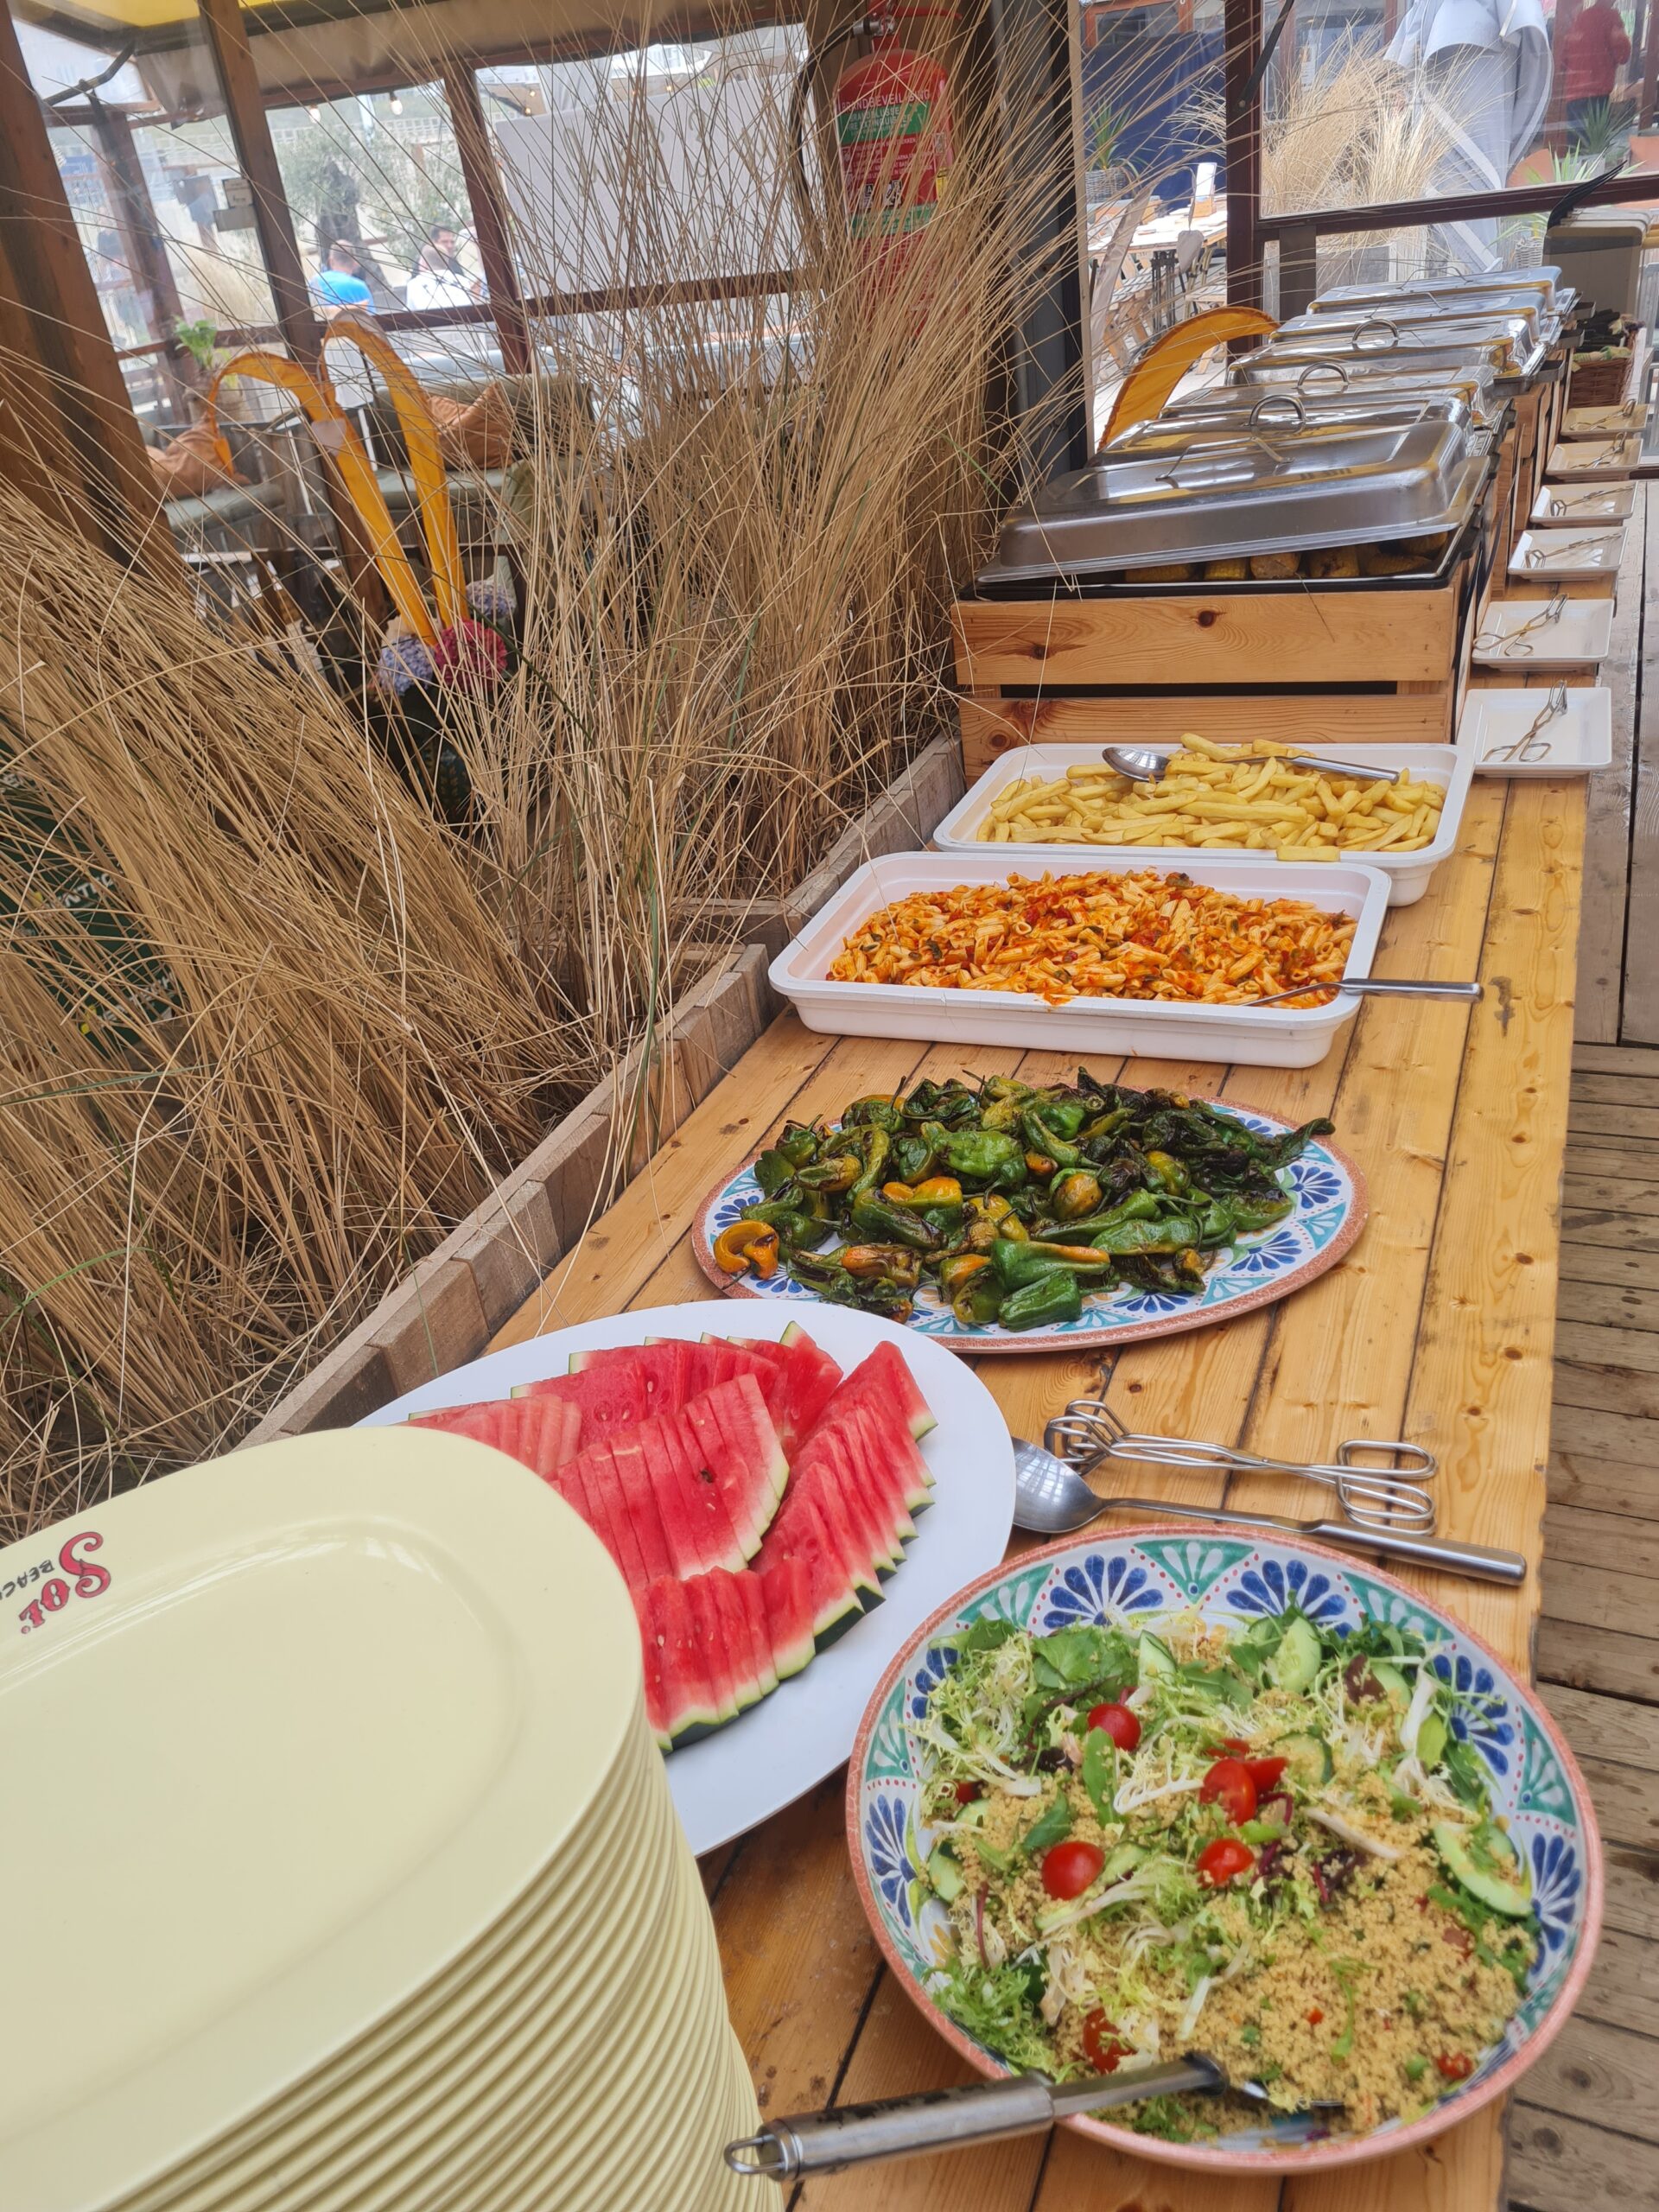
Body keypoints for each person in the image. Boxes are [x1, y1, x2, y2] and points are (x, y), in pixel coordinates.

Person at [1387, 0, 1552, 270]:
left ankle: (1472, 278)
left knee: (1471, 194)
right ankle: (1465, 277)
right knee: (1454, 196)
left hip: (1480, 51)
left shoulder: (1488, 19)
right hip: (1461, 43)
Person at [1559, 0, 1633, 146]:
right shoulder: (1610, 17)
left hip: (1574, 94)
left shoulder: (1580, 18)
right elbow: (1623, 55)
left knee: (1575, 148)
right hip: (1597, 93)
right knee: (1595, 149)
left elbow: (1563, 59)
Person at [405, 240, 479, 311]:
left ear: (424, 263)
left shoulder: (414, 285)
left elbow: (410, 313)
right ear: (447, 262)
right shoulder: (463, 281)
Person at [310, 239, 375, 315]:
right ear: (355, 263)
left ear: (331, 261)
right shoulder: (360, 287)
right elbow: (372, 318)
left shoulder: (314, 282)